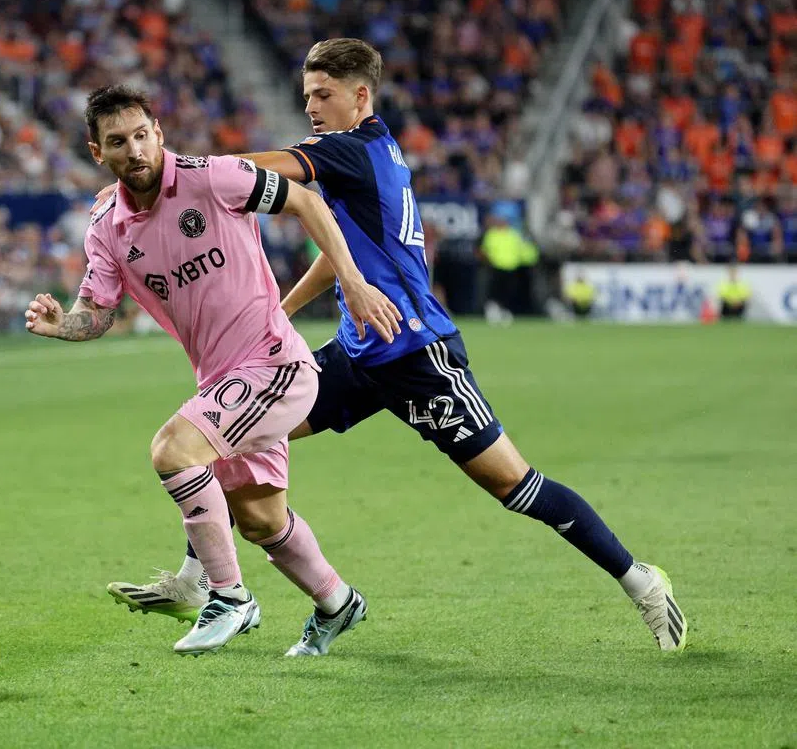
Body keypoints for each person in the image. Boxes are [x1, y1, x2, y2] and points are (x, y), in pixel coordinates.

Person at [107, 38, 687, 652]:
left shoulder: (350, 150)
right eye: (307, 97)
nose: (312, 107)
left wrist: (178, 172)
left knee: (514, 486)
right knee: (227, 434)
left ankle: (640, 580)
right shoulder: (370, 156)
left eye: (323, 95)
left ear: (361, 96)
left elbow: (259, 172)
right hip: (357, 354)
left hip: (416, 354)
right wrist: (283, 309)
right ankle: (202, 582)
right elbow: (345, 253)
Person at [26, 85, 402, 656]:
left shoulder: (212, 177)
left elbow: (306, 200)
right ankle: (338, 602)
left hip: (273, 362)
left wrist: (352, 280)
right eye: (117, 142)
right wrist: (63, 324)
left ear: (159, 132)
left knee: (174, 449)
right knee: (259, 519)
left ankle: (227, 599)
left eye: (141, 135)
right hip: (221, 380)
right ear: (97, 152)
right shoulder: (106, 225)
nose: (134, 150)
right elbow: (97, 312)